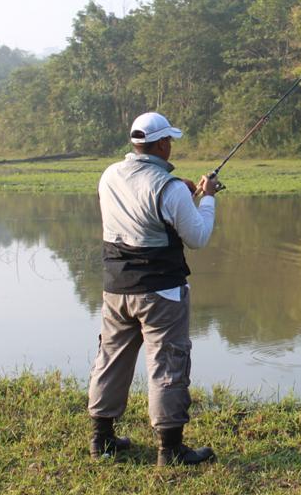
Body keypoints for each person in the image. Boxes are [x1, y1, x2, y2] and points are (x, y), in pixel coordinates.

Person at [87, 111, 221, 466]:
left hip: (116, 288)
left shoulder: (109, 175)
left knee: (110, 359)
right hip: (161, 291)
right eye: (170, 141)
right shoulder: (172, 188)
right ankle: (170, 449)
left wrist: (183, 193)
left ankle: (102, 439)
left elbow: (141, 214)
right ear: (161, 144)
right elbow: (198, 237)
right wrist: (206, 198)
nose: (171, 145)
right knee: (168, 364)